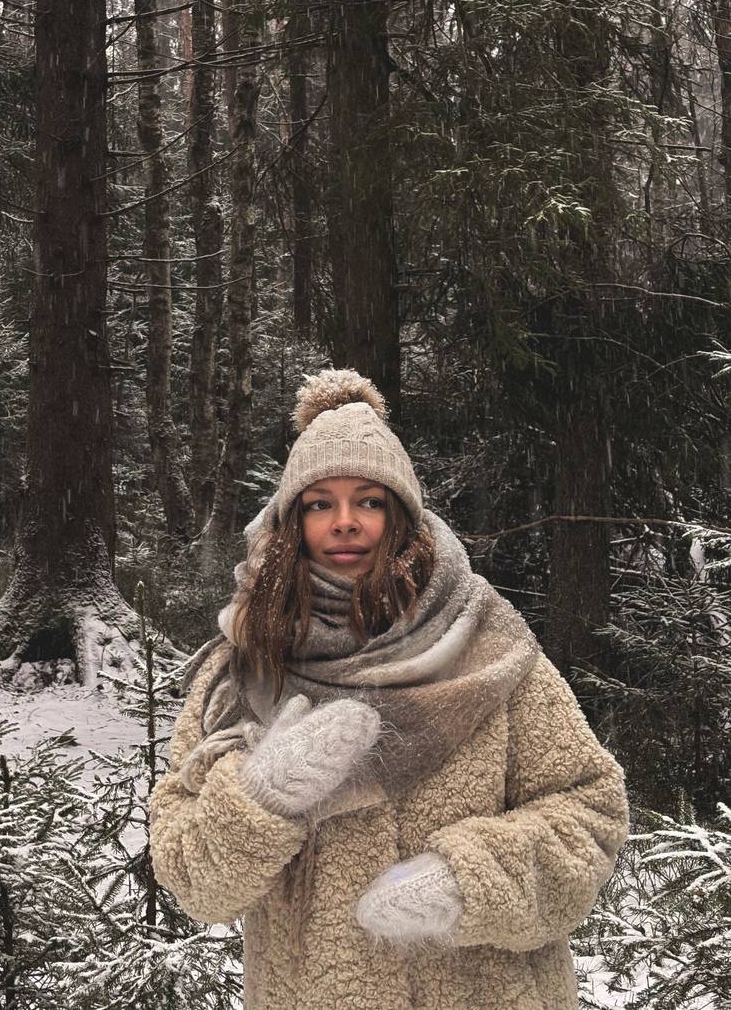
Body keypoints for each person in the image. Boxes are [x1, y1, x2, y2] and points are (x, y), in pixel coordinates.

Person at [150, 368, 629, 1010]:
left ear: (401, 516)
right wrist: (259, 799)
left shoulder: (486, 642)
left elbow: (592, 812)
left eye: (369, 501)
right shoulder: (245, 667)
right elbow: (191, 879)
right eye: (320, 503)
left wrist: (469, 881)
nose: (345, 522)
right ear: (292, 521)